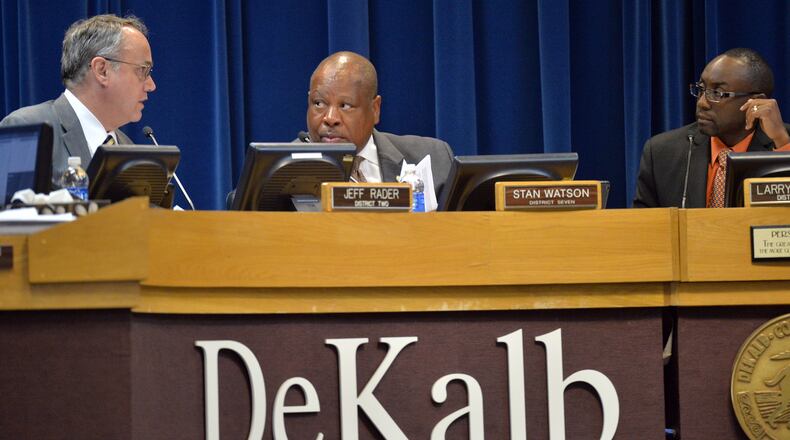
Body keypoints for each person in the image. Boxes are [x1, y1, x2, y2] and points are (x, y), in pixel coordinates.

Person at [0, 14, 156, 185]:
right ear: (102, 70)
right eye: (143, 70)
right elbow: (10, 203)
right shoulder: (26, 130)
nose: (151, 85)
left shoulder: (128, 147)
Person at [633, 48, 790, 208]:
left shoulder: (784, 142)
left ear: (755, 101)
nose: (702, 103)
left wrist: (782, 142)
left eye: (718, 93)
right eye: (701, 89)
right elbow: (643, 221)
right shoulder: (661, 153)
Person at [301, 51, 454, 201]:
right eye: (319, 103)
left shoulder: (433, 157)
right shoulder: (289, 170)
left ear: (375, 109)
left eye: (345, 105)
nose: (330, 118)